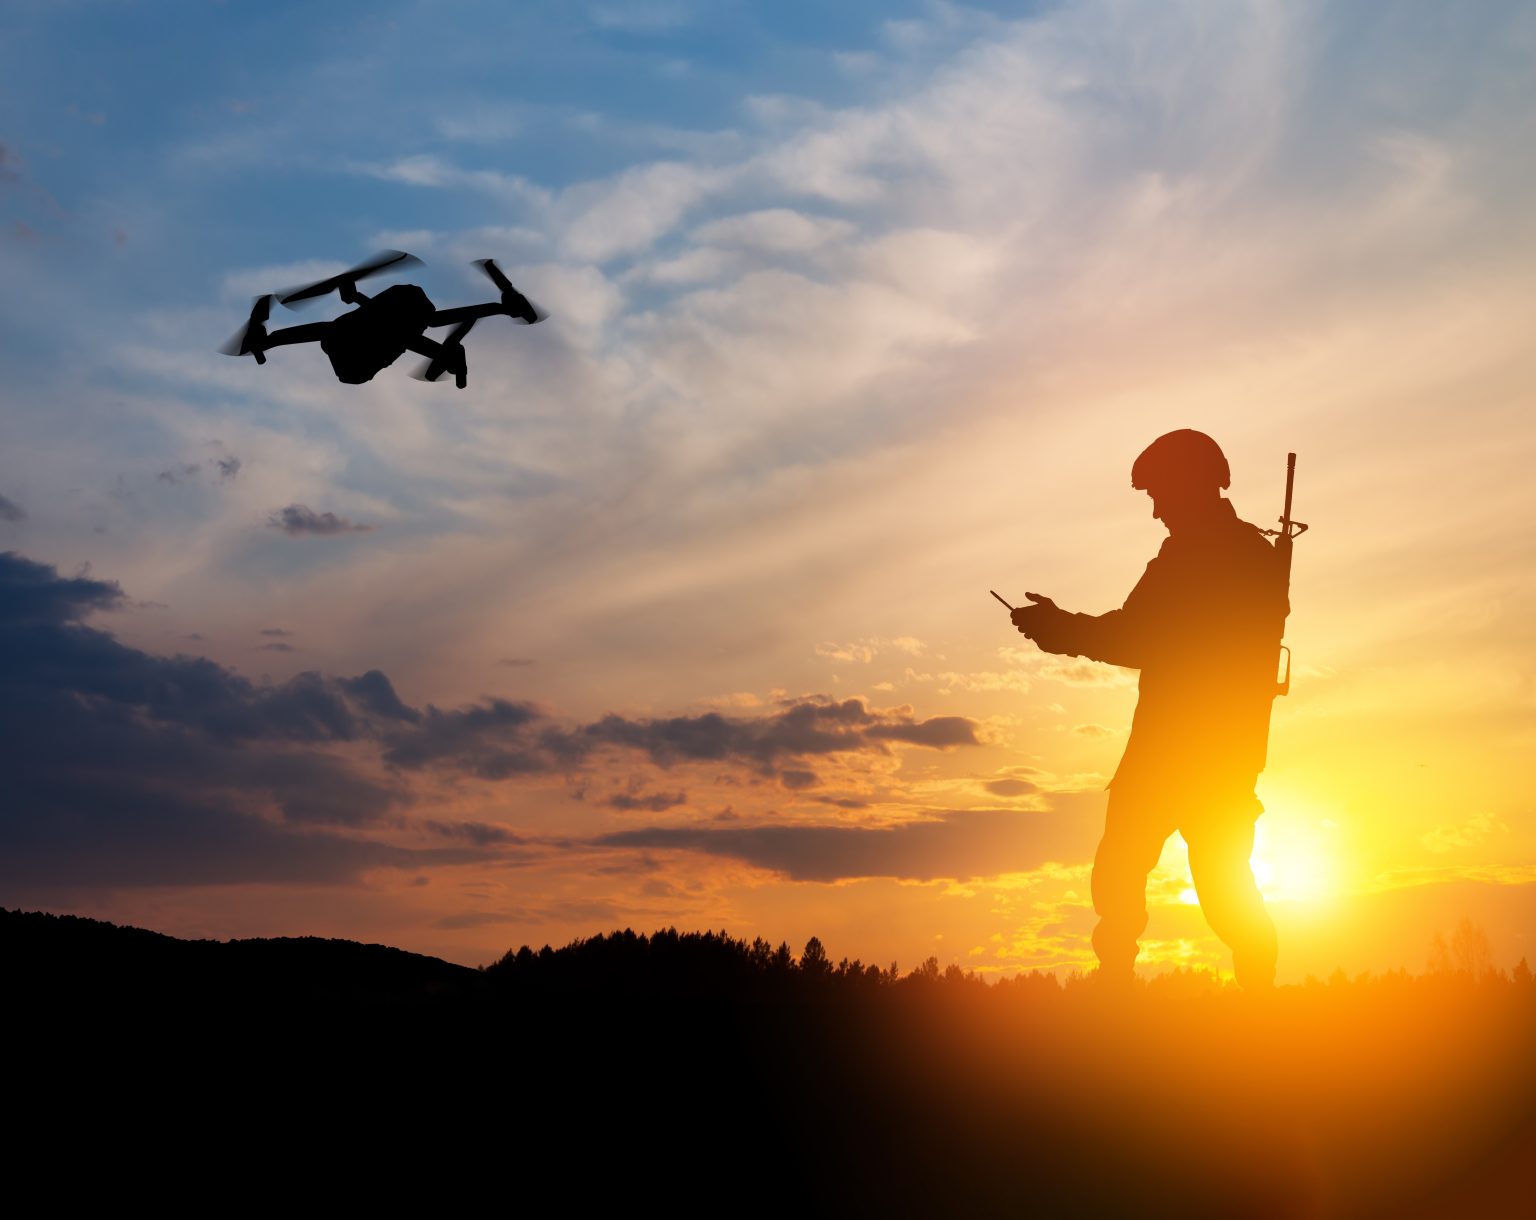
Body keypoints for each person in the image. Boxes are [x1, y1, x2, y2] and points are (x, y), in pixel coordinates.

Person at [1011, 430, 1284, 990]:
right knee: (1172, 884)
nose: (1156, 510)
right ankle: (1254, 1007)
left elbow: (1137, 636)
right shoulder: (1238, 553)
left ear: (1189, 486)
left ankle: (1136, 1003)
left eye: (1160, 494)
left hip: (1183, 758)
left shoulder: (1205, 556)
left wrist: (1057, 628)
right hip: (1212, 759)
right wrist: (1060, 628)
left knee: (1191, 888)